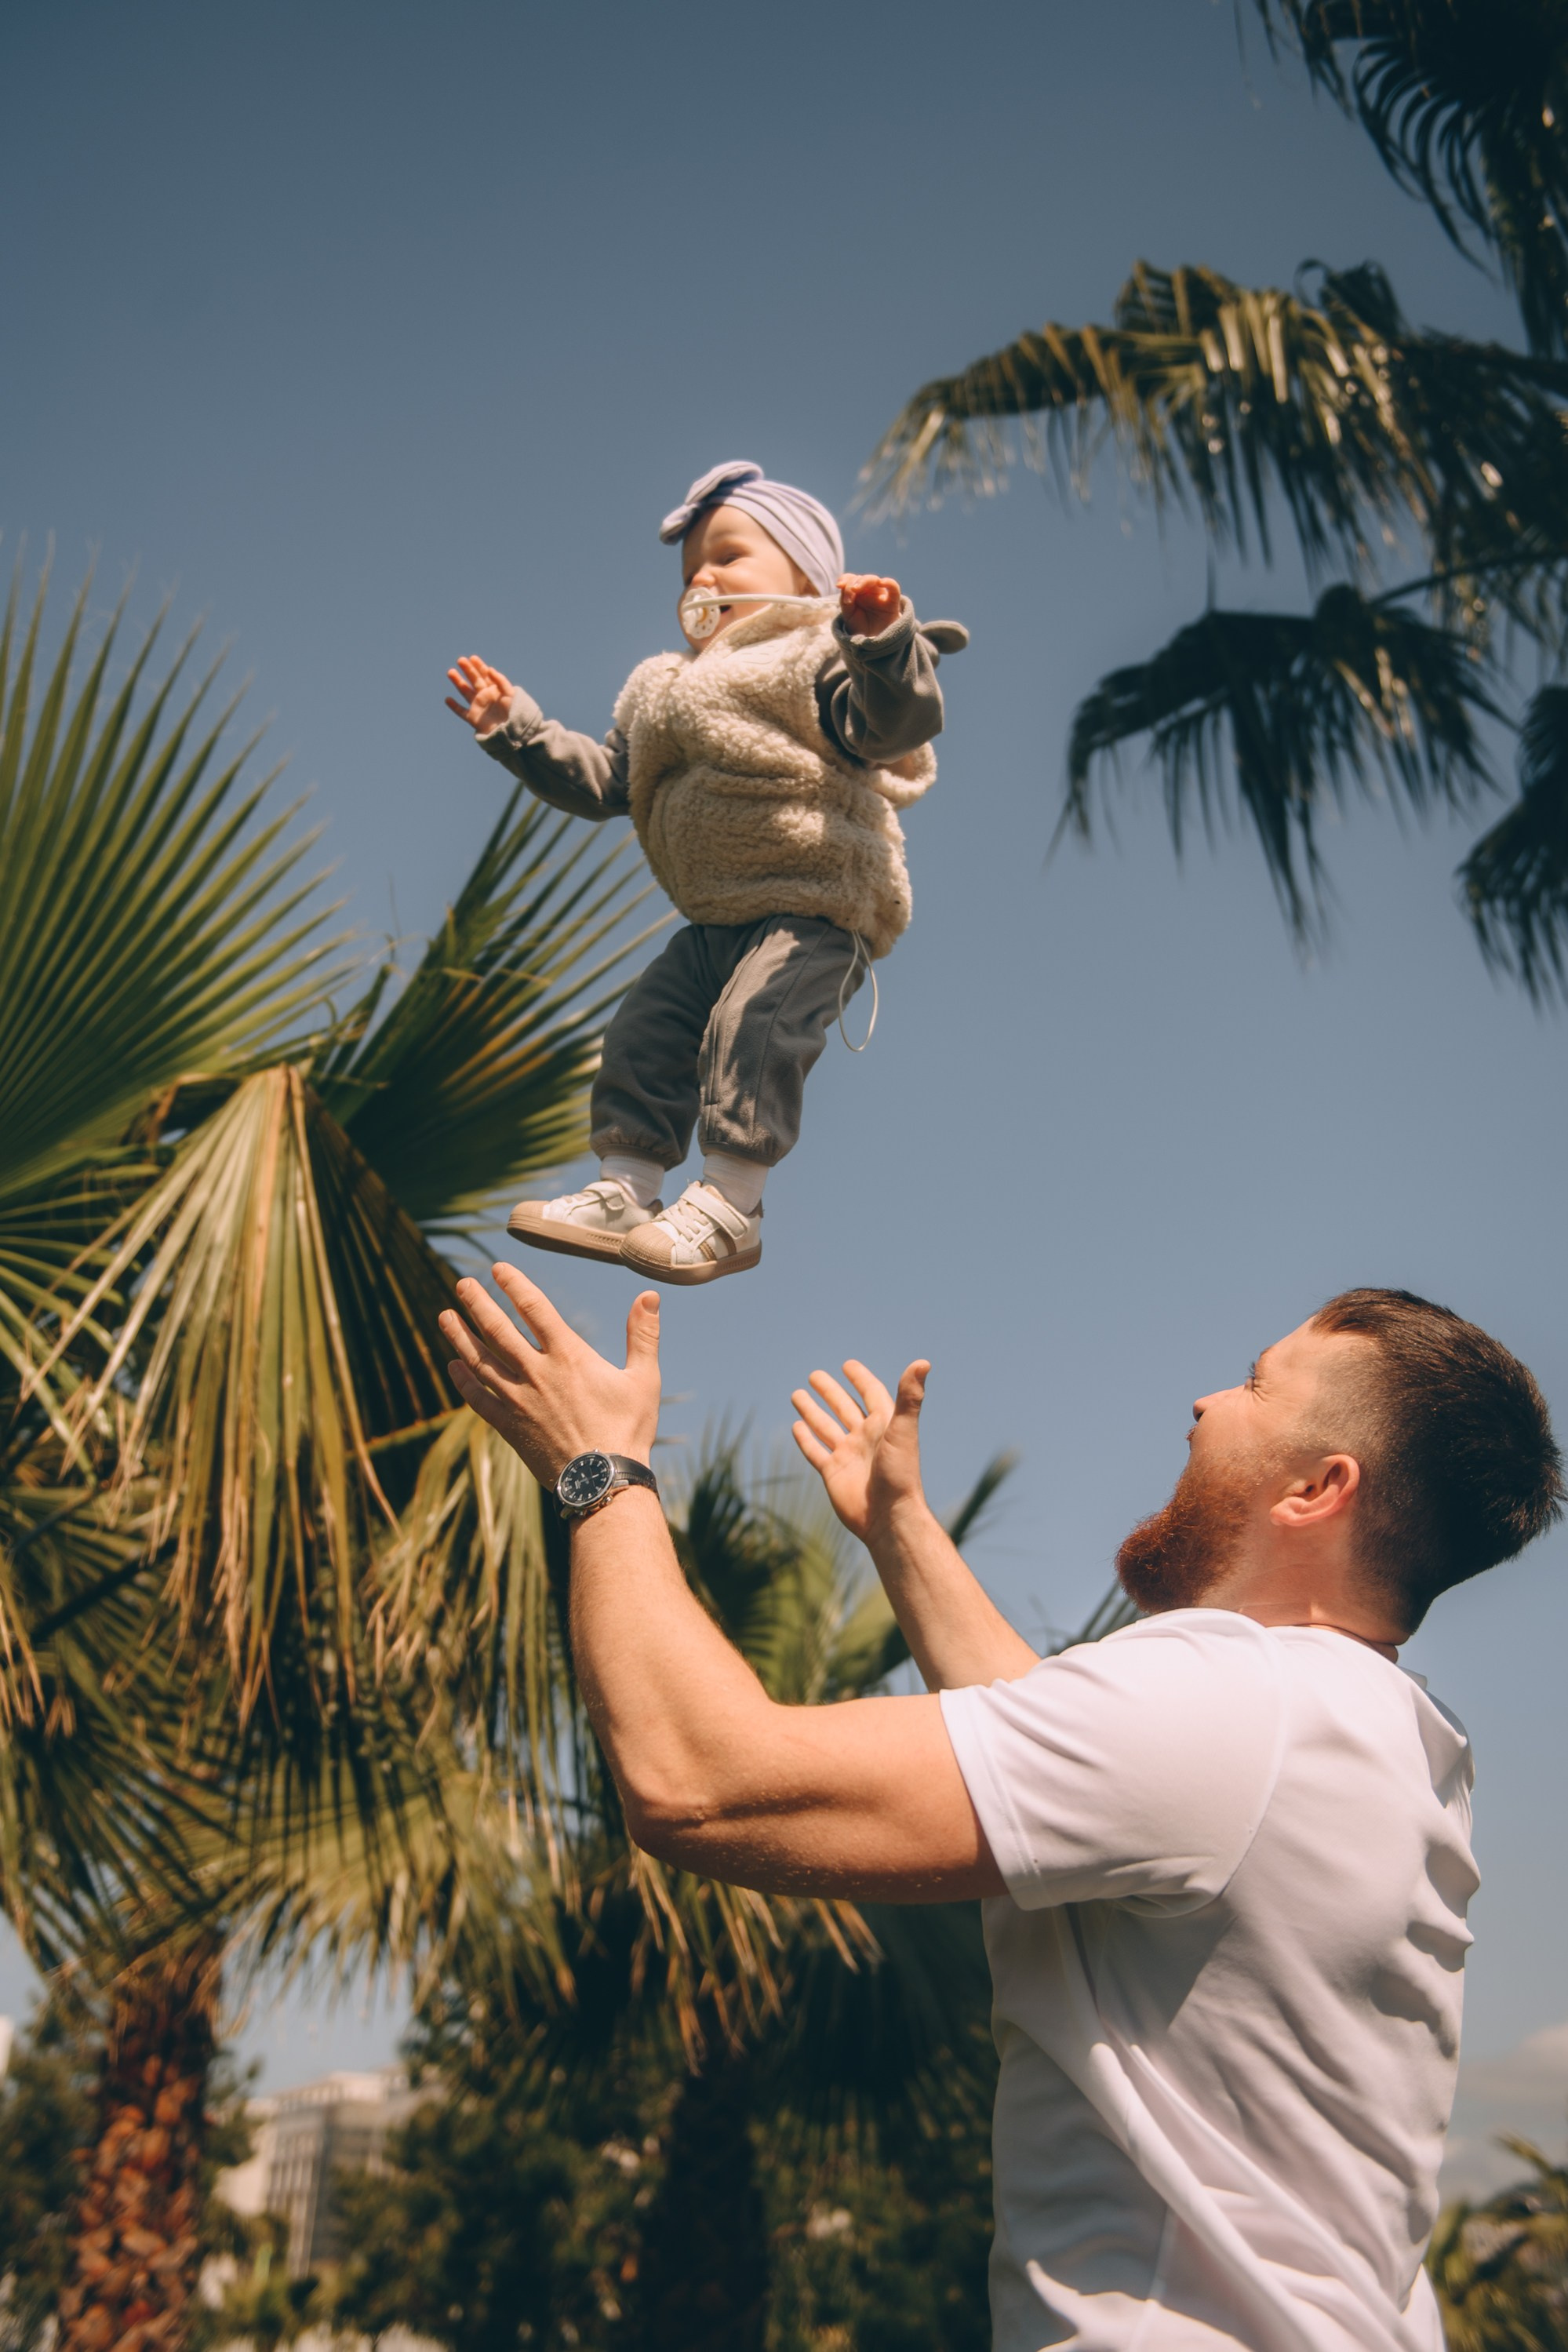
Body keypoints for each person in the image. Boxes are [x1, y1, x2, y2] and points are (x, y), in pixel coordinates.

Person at [437, 1269, 1562, 2352]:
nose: (1205, 1401)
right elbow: (1066, 1758)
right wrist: (900, 1528)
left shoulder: (1236, 1702)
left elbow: (697, 1778)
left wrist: (597, 1464)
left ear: (1316, 1488)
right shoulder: (1381, 1730)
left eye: (1255, 1384)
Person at [443, 459, 966, 1283]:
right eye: (691, 569)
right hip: (714, 920)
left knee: (754, 1029)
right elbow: (607, 782)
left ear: (807, 581)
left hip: (813, 906)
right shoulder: (660, 688)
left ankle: (732, 1203)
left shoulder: (814, 655)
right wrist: (520, 731)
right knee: (644, 1032)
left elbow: (887, 728)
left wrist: (881, 645)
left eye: (728, 556)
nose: (703, 578)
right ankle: (627, 1189)